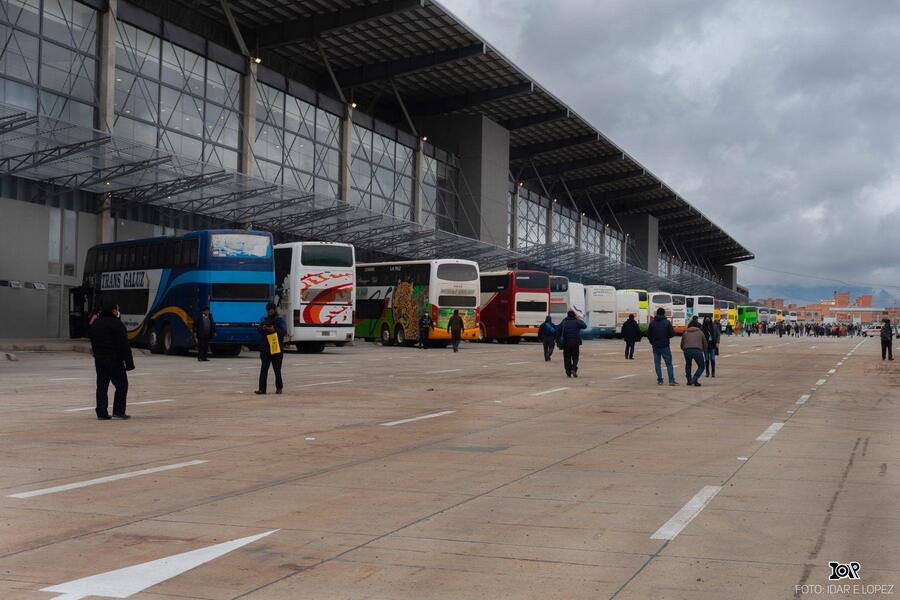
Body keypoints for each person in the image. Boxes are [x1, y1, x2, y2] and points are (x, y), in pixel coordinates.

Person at [89, 297, 135, 420]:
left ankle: (101, 412)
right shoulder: (117, 324)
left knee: (102, 386)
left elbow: (93, 342)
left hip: (99, 359)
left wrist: (97, 354)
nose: (118, 311)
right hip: (114, 360)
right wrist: (129, 363)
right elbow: (124, 345)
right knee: (121, 385)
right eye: (117, 308)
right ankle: (118, 411)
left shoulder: (96, 323)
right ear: (113, 310)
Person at [256, 302, 287, 394]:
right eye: (268, 311)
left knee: (277, 370)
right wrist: (263, 327)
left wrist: (274, 330)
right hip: (265, 348)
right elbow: (258, 330)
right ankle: (262, 389)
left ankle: (279, 388)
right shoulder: (264, 319)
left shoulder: (280, 320)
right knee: (263, 369)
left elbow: (283, 332)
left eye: (271, 310)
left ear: (274, 310)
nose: (269, 312)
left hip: (276, 348)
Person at [646, 307, 677, 386]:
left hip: (655, 346)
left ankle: (660, 380)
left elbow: (648, 335)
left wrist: (652, 342)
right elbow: (672, 334)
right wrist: (666, 338)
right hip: (665, 345)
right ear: (664, 313)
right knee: (669, 363)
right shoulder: (667, 322)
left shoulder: (652, 323)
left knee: (657, 363)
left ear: (657, 313)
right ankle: (671, 380)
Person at [557, 309, 587, 377]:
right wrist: (579, 319)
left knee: (567, 357)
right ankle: (574, 368)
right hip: (575, 342)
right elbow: (585, 326)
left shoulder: (564, 322)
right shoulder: (577, 322)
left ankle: (568, 371)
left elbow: (558, 331)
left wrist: (558, 342)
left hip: (566, 342)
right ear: (574, 315)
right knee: (575, 357)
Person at [681, 316, 708, 386]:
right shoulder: (700, 332)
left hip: (687, 350)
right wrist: (704, 351)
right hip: (697, 350)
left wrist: (684, 349)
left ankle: (689, 380)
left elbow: (682, 344)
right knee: (701, 366)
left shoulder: (685, 332)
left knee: (688, 364)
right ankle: (695, 378)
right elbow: (705, 344)